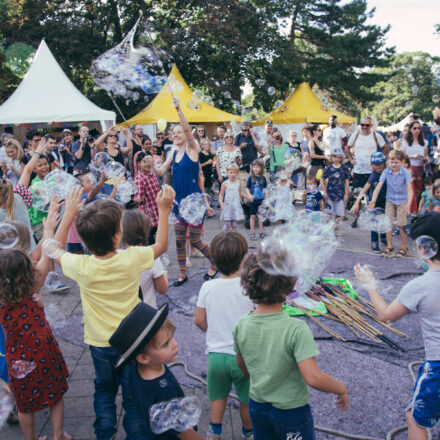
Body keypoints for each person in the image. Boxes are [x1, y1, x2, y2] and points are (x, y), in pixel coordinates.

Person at [53, 185, 175, 440]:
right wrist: (164, 209)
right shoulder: (130, 258)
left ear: (85, 241)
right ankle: (136, 435)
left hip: (100, 343)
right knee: (132, 394)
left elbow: (51, 247)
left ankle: (104, 433)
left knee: (104, 390)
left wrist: (68, 214)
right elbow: (161, 245)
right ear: (118, 234)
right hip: (131, 342)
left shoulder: (80, 265)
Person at [234, 253, 348, 440]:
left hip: (257, 405)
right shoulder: (296, 329)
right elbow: (313, 377)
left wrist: (261, 380)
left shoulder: (242, 324)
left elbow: (242, 365)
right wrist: (340, 387)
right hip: (291, 412)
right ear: (290, 285)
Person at [354, 212, 440, 440]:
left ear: (425, 248)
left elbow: (385, 316)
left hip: (438, 367)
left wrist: (369, 283)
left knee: (415, 418)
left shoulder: (420, 285)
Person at [109, 303, 204, 440]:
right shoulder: (163, 390)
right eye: (166, 344)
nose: (175, 344)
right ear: (143, 357)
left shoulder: (133, 369)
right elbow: (182, 430)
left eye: (172, 337)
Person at [194, 231, 254, 440]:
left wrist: (213, 330)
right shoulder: (248, 287)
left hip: (216, 356)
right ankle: (248, 433)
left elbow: (199, 320)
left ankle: (214, 431)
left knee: (218, 397)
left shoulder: (207, 287)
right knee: (246, 400)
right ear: (243, 259)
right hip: (243, 357)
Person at [153, 97, 217, 286]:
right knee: (180, 241)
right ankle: (182, 274)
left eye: (179, 131)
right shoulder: (173, 153)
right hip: (178, 202)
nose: (176, 134)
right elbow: (160, 171)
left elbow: (189, 130)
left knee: (196, 240)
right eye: (174, 132)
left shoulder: (192, 148)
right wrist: (152, 165)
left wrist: (179, 108)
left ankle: (215, 263)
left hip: (195, 202)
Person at [369, 149, 413, 257]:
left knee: (401, 224)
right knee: (388, 223)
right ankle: (389, 246)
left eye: (396, 162)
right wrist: (373, 200)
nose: (393, 165)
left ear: (402, 162)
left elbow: (410, 190)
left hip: (402, 201)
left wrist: (409, 204)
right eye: (391, 162)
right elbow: (378, 187)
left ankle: (403, 247)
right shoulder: (386, 171)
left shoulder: (405, 172)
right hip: (390, 200)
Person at [121, 210, 168, 307]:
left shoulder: (115, 256)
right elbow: (162, 289)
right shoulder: (151, 257)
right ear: (146, 232)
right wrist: (164, 272)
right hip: (147, 315)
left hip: (123, 316)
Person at [346, 116, 386, 228]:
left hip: (372, 171)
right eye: (362, 124)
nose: (364, 127)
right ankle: (357, 218)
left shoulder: (375, 135)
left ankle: (372, 215)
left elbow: (385, 147)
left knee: (372, 195)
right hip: (358, 170)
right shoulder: (356, 134)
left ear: (371, 126)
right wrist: (350, 159)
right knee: (357, 194)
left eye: (366, 125)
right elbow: (346, 148)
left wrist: (381, 162)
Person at [350, 152, 388, 252]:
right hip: (373, 202)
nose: (379, 166)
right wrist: (357, 201)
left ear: (385, 163)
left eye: (381, 163)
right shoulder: (374, 175)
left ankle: (383, 237)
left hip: (385, 201)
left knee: (384, 220)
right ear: (372, 165)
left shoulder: (387, 172)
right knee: (375, 222)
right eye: (376, 164)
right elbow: (365, 187)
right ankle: (374, 242)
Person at [133, 153, 161, 244]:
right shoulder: (139, 178)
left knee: (157, 240)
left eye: (149, 161)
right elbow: (139, 198)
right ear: (139, 164)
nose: (147, 164)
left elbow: (157, 191)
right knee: (149, 241)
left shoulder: (152, 174)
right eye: (144, 162)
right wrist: (136, 200)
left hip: (156, 212)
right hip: (148, 217)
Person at [321, 152, 350, 236]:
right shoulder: (329, 168)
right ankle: (327, 229)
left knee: (339, 214)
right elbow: (322, 179)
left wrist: (346, 193)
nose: (336, 159)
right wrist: (325, 191)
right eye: (334, 157)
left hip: (340, 195)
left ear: (341, 158)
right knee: (328, 213)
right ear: (331, 158)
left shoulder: (344, 168)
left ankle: (336, 228)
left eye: (338, 157)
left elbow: (347, 181)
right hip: (330, 194)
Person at [404, 121, 428, 212]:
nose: (417, 130)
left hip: (420, 169)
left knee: (419, 191)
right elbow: (402, 157)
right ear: (410, 129)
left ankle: (417, 210)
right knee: (410, 190)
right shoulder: (405, 142)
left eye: (419, 128)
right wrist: (413, 156)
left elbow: (426, 155)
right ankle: (408, 209)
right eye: (415, 128)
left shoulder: (424, 142)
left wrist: (425, 158)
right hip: (409, 168)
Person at [219, 163, 247, 230]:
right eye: (231, 172)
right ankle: (224, 236)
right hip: (228, 207)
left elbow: (240, 192)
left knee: (235, 226)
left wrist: (248, 197)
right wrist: (221, 203)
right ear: (227, 173)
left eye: (235, 172)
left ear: (237, 173)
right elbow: (221, 195)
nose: (233, 174)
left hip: (236, 207)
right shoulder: (225, 183)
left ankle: (233, 238)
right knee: (227, 225)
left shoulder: (238, 182)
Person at [245, 158, 267, 240]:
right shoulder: (251, 178)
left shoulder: (263, 178)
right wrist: (249, 195)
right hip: (253, 201)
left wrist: (267, 199)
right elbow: (247, 188)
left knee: (261, 217)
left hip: (261, 200)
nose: (255, 169)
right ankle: (252, 233)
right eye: (254, 167)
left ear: (261, 168)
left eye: (257, 167)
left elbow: (265, 189)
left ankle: (261, 232)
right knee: (253, 217)